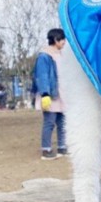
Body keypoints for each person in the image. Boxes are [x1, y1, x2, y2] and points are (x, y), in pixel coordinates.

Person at [31, 28, 67, 160]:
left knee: (62, 122)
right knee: (49, 122)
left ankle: (62, 147)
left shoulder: (62, 54)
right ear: (56, 40)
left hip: (62, 94)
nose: (64, 42)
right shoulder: (44, 56)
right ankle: (46, 150)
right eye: (62, 39)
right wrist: (45, 93)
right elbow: (42, 75)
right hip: (50, 94)